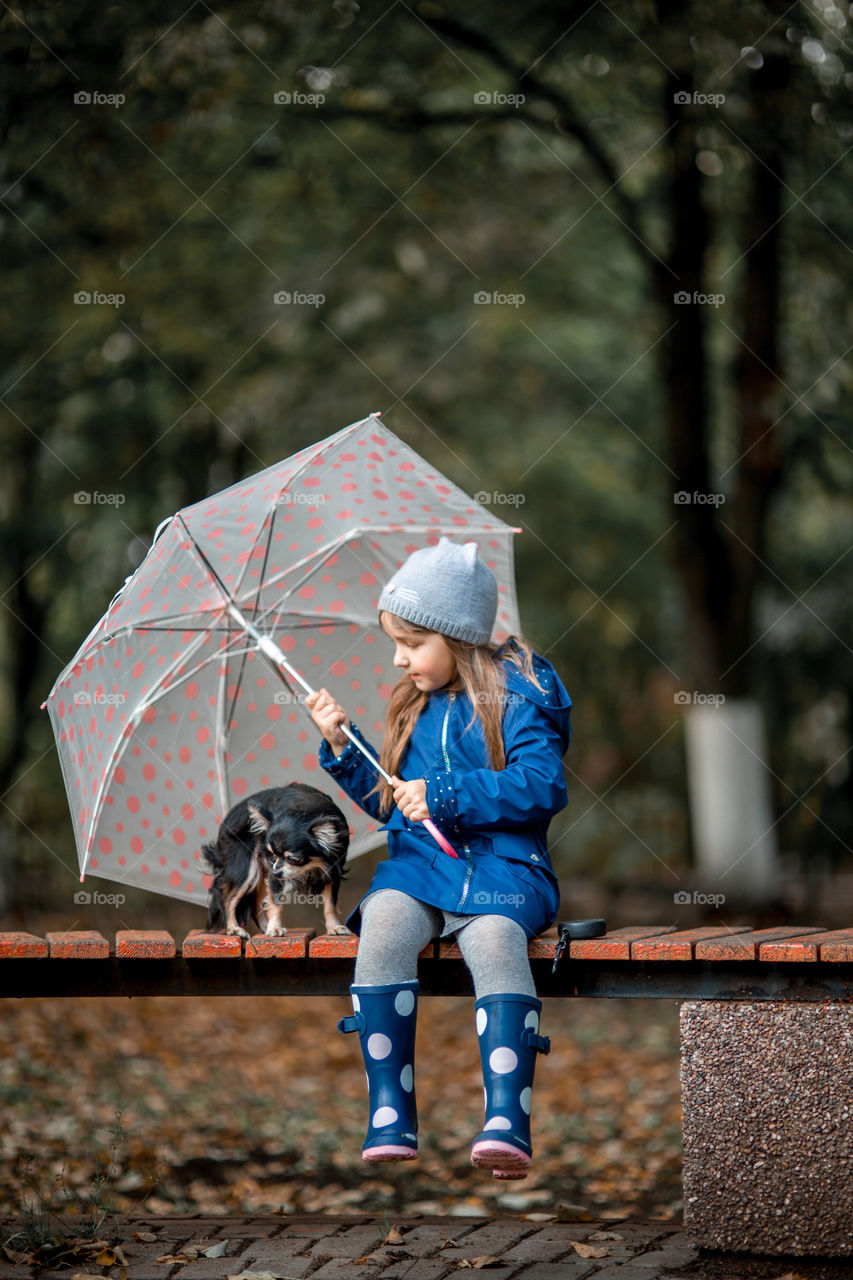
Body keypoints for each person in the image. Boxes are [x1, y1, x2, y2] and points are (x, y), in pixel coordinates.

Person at [306, 537, 571, 1179]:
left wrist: (450, 794)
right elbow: (394, 803)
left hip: (504, 870)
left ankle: (507, 1116)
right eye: (396, 643)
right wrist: (344, 746)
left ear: (457, 637)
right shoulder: (414, 708)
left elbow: (544, 785)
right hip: (422, 869)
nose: (400, 659)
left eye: (412, 643)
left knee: (493, 939)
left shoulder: (515, 699)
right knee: (384, 926)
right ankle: (390, 1108)